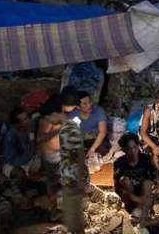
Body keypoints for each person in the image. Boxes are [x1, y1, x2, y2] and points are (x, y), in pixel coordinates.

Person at [58, 93, 87, 234]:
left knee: (73, 215)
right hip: (68, 175)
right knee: (71, 213)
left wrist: (80, 178)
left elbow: (80, 155)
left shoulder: (70, 128)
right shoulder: (64, 127)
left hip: (74, 177)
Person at [114, 133, 157, 227]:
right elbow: (116, 188)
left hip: (144, 194)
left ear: (138, 146)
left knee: (147, 183)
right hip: (130, 196)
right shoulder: (119, 163)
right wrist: (135, 198)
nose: (133, 151)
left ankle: (139, 213)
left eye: (134, 147)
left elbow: (155, 179)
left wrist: (152, 188)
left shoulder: (145, 159)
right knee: (125, 180)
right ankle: (141, 212)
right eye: (129, 149)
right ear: (124, 150)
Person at [35, 96, 64, 214]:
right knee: (51, 183)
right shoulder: (45, 121)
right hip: (50, 156)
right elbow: (39, 139)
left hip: (59, 153)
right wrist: (54, 132)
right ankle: (53, 211)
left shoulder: (59, 116)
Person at [138, 89, 159, 182]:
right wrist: (154, 147)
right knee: (155, 156)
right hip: (150, 139)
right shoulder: (150, 110)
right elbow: (143, 133)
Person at [1, 107, 39, 181]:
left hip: (33, 155)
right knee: (19, 173)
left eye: (27, 117)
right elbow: (11, 159)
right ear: (16, 124)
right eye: (24, 120)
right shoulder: (10, 137)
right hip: (18, 162)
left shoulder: (31, 125)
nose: (28, 120)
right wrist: (23, 163)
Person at [71, 93, 109, 159]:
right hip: (82, 139)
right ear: (78, 107)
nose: (89, 105)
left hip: (96, 138)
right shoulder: (73, 115)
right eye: (85, 104)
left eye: (90, 102)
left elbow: (103, 132)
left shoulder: (99, 111)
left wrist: (92, 149)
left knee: (103, 152)